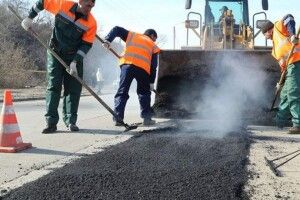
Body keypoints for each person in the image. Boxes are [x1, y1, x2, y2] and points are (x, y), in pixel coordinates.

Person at [21, 0, 97, 133]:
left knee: (73, 89)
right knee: (53, 86)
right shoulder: (63, 5)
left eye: (92, 6)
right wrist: (29, 17)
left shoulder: (91, 23)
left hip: (73, 57)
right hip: (55, 52)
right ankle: (51, 123)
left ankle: (71, 122)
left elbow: (86, 45)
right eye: (88, 5)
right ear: (80, 1)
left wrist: (75, 62)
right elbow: (43, 2)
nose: (89, 9)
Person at [102, 26, 160, 126]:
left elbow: (116, 29)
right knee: (144, 93)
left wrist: (108, 40)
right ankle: (147, 119)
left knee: (122, 91)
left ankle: (118, 118)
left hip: (127, 66)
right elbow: (153, 66)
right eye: (155, 38)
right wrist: (151, 82)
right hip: (142, 69)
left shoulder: (133, 35)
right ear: (152, 35)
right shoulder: (153, 46)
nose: (154, 41)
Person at [259, 15, 300, 134]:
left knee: (292, 93)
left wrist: (292, 35)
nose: (266, 37)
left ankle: (298, 124)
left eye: (265, 34)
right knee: (285, 95)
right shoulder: (274, 51)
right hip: (290, 69)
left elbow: (289, 18)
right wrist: (280, 83)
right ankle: (279, 121)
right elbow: (283, 68)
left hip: (297, 62)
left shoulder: (277, 27)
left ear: (268, 30)